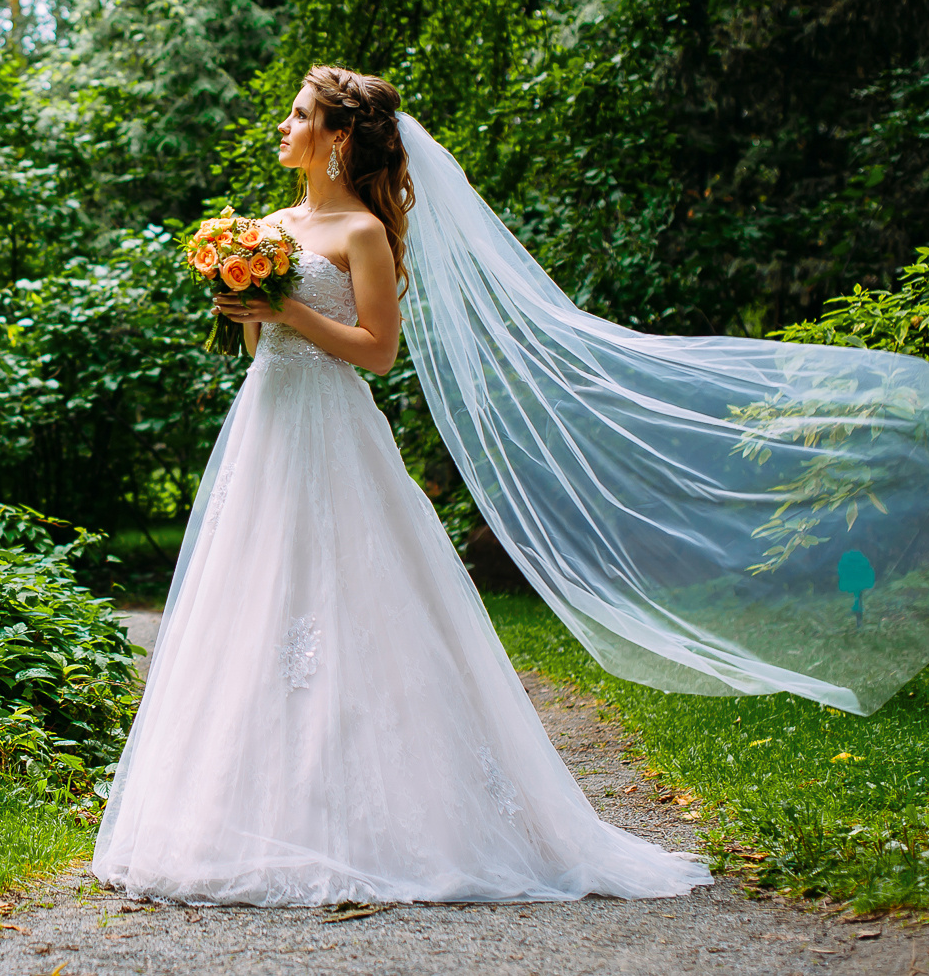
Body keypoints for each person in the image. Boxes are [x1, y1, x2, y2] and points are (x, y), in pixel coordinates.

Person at [89, 67, 716, 904]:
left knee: (358, 602)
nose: (284, 124)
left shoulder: (363, 234)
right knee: (252, 599)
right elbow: (260, 348)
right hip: (266, 422)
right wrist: (244, 307)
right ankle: (237, 812)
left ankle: (397, 817)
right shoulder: (267, 226)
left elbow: (377, 350)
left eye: (300, 114)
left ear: (338, 137)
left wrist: (285, 310)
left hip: (335, 427)